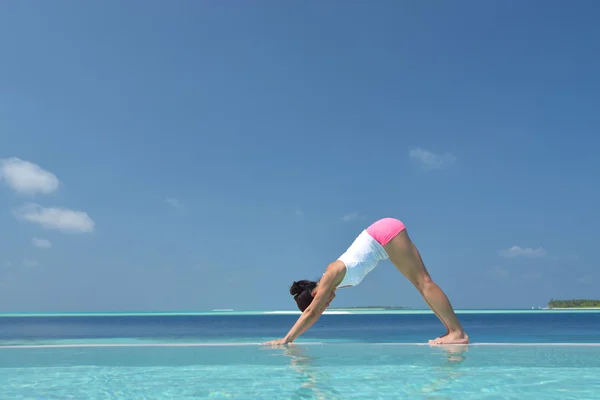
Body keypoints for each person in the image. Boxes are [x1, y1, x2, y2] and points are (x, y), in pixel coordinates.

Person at [264, 217, 469, 346]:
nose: (327, 305)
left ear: (315, 295)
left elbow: (312, 312)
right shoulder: (336, 283)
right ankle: (451, 331)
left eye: (324, 303)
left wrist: (286, 339)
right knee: (420, 285)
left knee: (423, 282)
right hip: (383, 241)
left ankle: (457, 332)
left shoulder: (330, 275)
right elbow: (313, 310)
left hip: (383, 235)